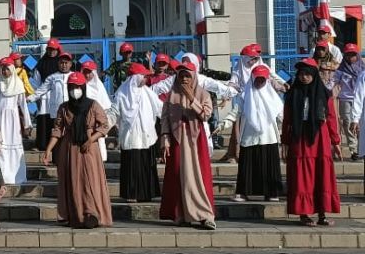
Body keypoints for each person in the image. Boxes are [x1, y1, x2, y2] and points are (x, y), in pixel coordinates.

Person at [43, 72, 112, 228]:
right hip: (70, 149)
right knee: (74, 181)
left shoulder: (93, 105)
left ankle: (92, 213)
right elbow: (57, 130)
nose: (75, 90)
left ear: (83, 87)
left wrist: (91, 139)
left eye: (78, 87)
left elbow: (104, 126)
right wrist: (48, 150)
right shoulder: (64, 108)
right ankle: (76, 215)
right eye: (72, 87)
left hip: (89, 149)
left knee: (90, 180)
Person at [283, 59, 342, 226]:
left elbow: (331, 118)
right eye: (301, 74)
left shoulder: (324, 94)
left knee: (321, 175)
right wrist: (285, 141)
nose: (304, 77)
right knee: (302, 176)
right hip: (299, 139)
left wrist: (335, 141)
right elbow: (287, 120)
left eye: (308, 74)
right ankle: (304, 214)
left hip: (320, 140)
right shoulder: (292, 94)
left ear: (314, 75)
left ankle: (322, 214)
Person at [159, 62, 216, 230]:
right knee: (178, 174)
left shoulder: (203, 94)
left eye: (187, 76)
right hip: (177, 140)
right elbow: (165, 119)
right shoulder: (171, 95)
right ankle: (181, 213)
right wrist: (165, 139)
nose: (184, 79)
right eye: (181, 76)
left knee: (199, 175)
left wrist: (192, 99)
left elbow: (206, 115)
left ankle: (205, 215)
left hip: (195, 140)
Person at [221, 64, 284, 202]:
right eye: (257, 79)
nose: (260, 82)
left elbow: (281, 114)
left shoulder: (272, 96)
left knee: (269, 165)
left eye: (263, 79)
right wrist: (223, 124)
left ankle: (271, 193)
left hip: (268, 136)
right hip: (249, 136)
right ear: (252, 78)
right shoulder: (245, 95)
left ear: (267, 80)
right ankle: (243, 192)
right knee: (247, 165)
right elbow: (235, 112)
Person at [108, 63, 162, 203]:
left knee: (146, 164)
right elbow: (113, 112)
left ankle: (147, 193)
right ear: (136, 77)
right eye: (144, 76)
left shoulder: (148, 92)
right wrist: (104, 126)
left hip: (146, 135)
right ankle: (131, 194)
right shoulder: (122, 94)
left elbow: (160, 108)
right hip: (130, 136)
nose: (146, 79)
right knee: (132, 165)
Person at [0, 57, 31, 187]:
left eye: (8, 68)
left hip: (14, 121)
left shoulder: (18, 83)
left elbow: (23, 105)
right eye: (3, 69)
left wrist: (27, 123)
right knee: (1, 146)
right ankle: (4, 176)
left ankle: (17, 177)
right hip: (1, 119)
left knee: (15, 146)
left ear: (12, 69)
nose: (5, 71)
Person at [29, 50, 73, 153]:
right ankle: (57, 158)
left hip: (71, 111)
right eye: (61, 63)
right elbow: (41, 90)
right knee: (57, 133)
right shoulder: (52, 78)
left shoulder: (74, 76)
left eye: (66, 63)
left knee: (70, 134)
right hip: (56, 112)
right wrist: (30, 98)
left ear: (70, 64)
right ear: (58, 64)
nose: (64, 65)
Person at [334, 43, 364, 156]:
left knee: (360, 123)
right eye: (348, 55)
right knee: (347, 122)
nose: (350, 57)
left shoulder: (363, 68)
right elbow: (333, 82)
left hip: (361, 100)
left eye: (353, 54)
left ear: (357, 55)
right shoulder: (341, 69)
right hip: (345, 98)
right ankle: (353, 148)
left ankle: (361, 147)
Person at [81, 60, 112, 161]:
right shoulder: (80, 86)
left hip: (97, 121)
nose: (87, 75)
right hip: (83, 120)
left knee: (99, 142)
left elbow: (105, 106)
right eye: (85, 72)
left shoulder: (99, 86)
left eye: (89, 72)